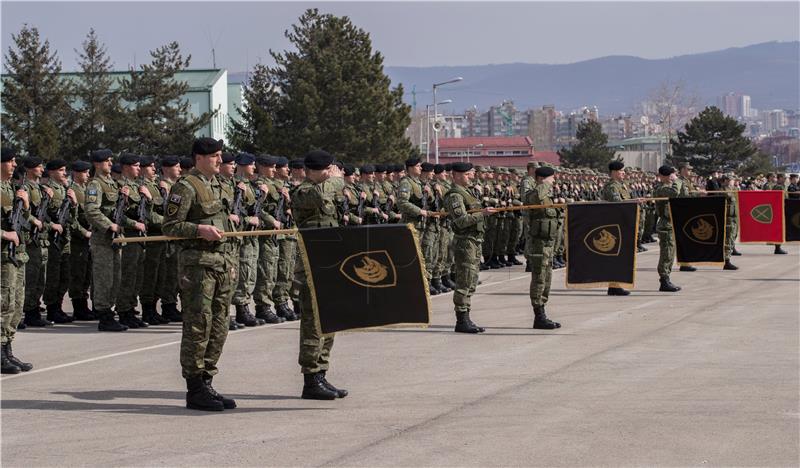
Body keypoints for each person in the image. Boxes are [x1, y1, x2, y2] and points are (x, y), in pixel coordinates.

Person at [162, 137, 237, 411]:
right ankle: (194, 388)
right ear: (200, 158)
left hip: (220, 265)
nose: (220, 160)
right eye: (215, 155)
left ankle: (207, 381)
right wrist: (198, 231)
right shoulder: (185, 187)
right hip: (198, 268)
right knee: (198, 325)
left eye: (220, 155)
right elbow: (170, 226)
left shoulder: (218, 184)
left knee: (219, 326)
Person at [292, 150, 347, 400]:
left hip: (330, 260)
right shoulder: (303, 191)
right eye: (327, 170)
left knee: (330, 319)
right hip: (312, 264)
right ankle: (310, 378)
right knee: (313, 322)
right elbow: (320, 195)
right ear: (313, 171)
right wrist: (335, 179)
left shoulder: (326, 186)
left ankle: (322, 373)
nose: (331, 173)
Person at [443, 162, 496, 333]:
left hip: (474, 241)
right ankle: (461, 320)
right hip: (465, 241)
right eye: (467, 174)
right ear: (457, 175)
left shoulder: (469, 193)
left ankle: (467, 317)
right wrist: (483, 214)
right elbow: (461, 220)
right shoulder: (455, 196)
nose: (471, 176)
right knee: (464, 280)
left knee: (471, 280)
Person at [84, 149, 129, 331]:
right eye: (106, 161)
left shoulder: (112, 183)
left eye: (111, 160)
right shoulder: (95, 184)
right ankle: (104, 316)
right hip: (103, 239)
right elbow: (91, 210)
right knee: (104, 279)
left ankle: (109, 312)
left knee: (115, 278)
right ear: (97, 164)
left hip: (115, 240)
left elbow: (116, 211)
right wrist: (109, 225)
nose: (110, 163)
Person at [1, 147, 34, 373]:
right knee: (4, 304)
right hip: (3, 256)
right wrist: (4, 234)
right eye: (10, 161)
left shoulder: (12, 188)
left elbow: (24, 223)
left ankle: (7, 350)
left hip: (17, 256)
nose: (14, 165)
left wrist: (26, 205)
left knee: (16, 306)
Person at [524, 166, 562, 329]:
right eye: (551, 178)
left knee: (547, 278)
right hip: (538, 242)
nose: (554, 181)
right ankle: (538, 315)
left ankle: (542, 312)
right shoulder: (534, 193)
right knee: (539, 277)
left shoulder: (547, 195)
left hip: (548, 242)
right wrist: (545, 184)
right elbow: (536, 197)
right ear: (542, 179)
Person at [42, 159, 77, 324]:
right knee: (53, 276)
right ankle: (51, 308)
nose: (65, 173)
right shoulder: (47, 190)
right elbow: (40, 216)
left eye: (65, 169)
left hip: (65, 239)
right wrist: (52, 226)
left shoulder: (65, 190)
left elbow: (72, 218)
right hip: (52, 241)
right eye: (61, 170)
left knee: (65, 276)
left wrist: (74, 203)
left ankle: (59, 306)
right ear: (52, 172)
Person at [67, 160, 95, 320]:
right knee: (78, 274)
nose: (88, 175)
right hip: (78, 241)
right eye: (85, 172)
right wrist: (84, 232)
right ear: (77, 173)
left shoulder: (86, 190)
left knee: (86, 274)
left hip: (89, 240)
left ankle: (84, 306)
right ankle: (79, 307)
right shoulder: (72, 191)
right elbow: (71, 219)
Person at [601, 160, 632, 296]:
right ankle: (613, 285)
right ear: (613, 172)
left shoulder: (622, 185)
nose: (623, 173)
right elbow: (617, 203)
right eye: (621, 171)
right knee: (615, 256)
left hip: (621, 223)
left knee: (620, 256)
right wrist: (633, 202)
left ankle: (615, 284)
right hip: (614, 225)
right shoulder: (612, 187)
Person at [653, 166, 681, 292]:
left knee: (671, 253)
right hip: (665, 224)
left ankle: (667, 278)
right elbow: (674, 193)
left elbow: (682, 193)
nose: (672, 178)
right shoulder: (661, 188)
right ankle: (664, 280)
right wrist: (677, 181)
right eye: (669, 175)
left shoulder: (670, 186)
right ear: (663, 177)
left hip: (671, 222)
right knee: (667, 252)